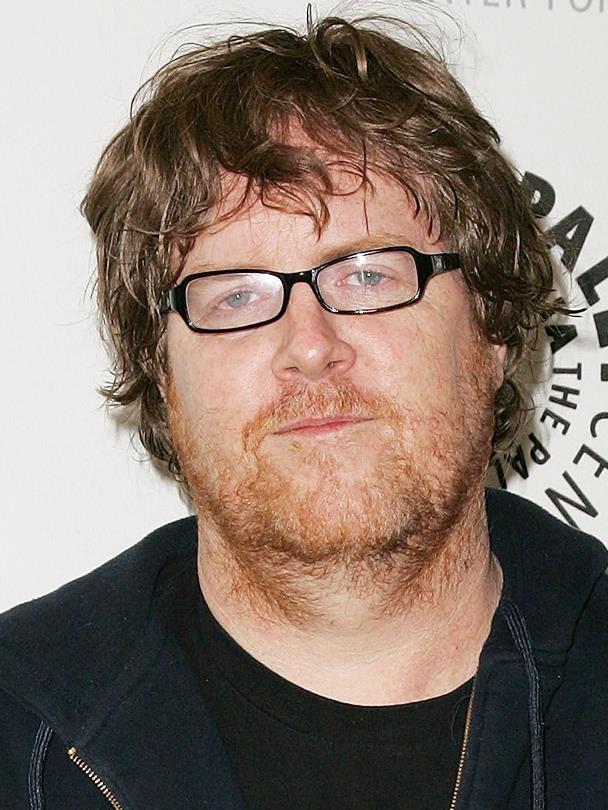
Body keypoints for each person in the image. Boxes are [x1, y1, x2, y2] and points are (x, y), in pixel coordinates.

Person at [1, 13, 607, 810]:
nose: (310, 346)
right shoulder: (18, 735)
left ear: (492, 328)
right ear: (161, 370)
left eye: (368, 275)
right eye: (235, 295)